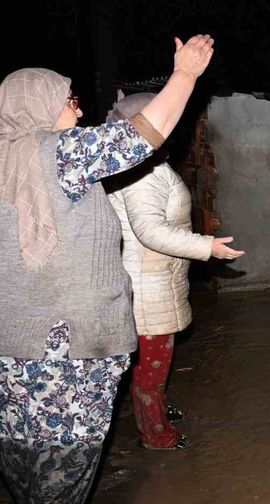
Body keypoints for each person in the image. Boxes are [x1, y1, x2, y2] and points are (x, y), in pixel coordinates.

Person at [0, 34, 214, 503]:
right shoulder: (57, 154)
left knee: (24, 464)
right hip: (66, 351)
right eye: (69, 101)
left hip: (12, 350)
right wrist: (185, 75)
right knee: (64, 474)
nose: (77, 111)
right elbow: (141, 134)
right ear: (38, 105)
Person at [104, 92, 244, 451]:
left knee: (154, 364)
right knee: (151, 367)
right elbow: (148, 231)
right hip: (146, 288)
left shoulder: (146, 164)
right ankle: (156, 436)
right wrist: (205, 247)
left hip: (155, 281)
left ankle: (156, 413)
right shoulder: (141, 173)